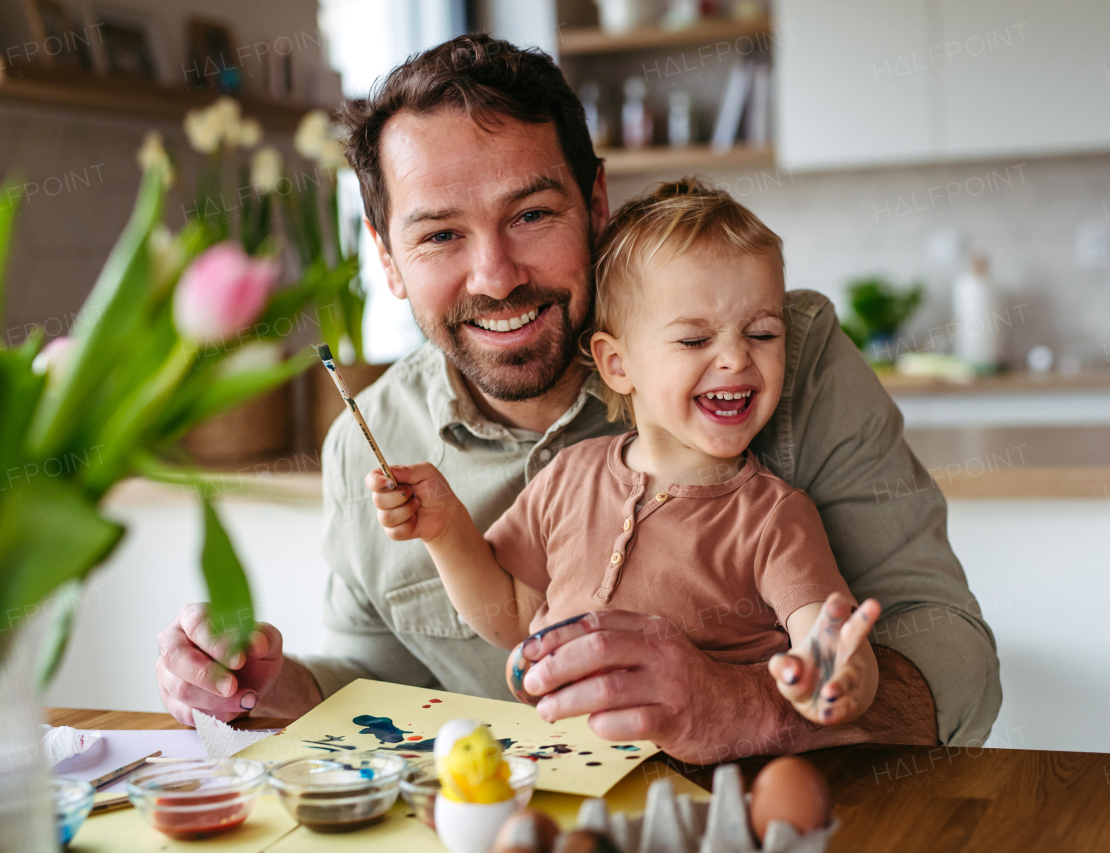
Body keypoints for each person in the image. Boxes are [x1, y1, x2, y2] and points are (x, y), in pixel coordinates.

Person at [155, 34, 1001, 763]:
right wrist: (271, 692)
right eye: (441, 233)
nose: (496, 276)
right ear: (385, 257)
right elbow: (383, 686)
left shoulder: (778, 359)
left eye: (531, 214)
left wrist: (744, 708)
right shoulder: (368, 438)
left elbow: (956, 662)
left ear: (595, 203)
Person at [369, 179, 881, 726]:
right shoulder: (568, 478)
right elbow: (511, 616)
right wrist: (446, 531)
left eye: (762, 334)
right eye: (693, 340)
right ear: (617, 364)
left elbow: (830, 638)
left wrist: (830, 678)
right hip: (572, 779)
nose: (735, 358)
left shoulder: (775, 518)